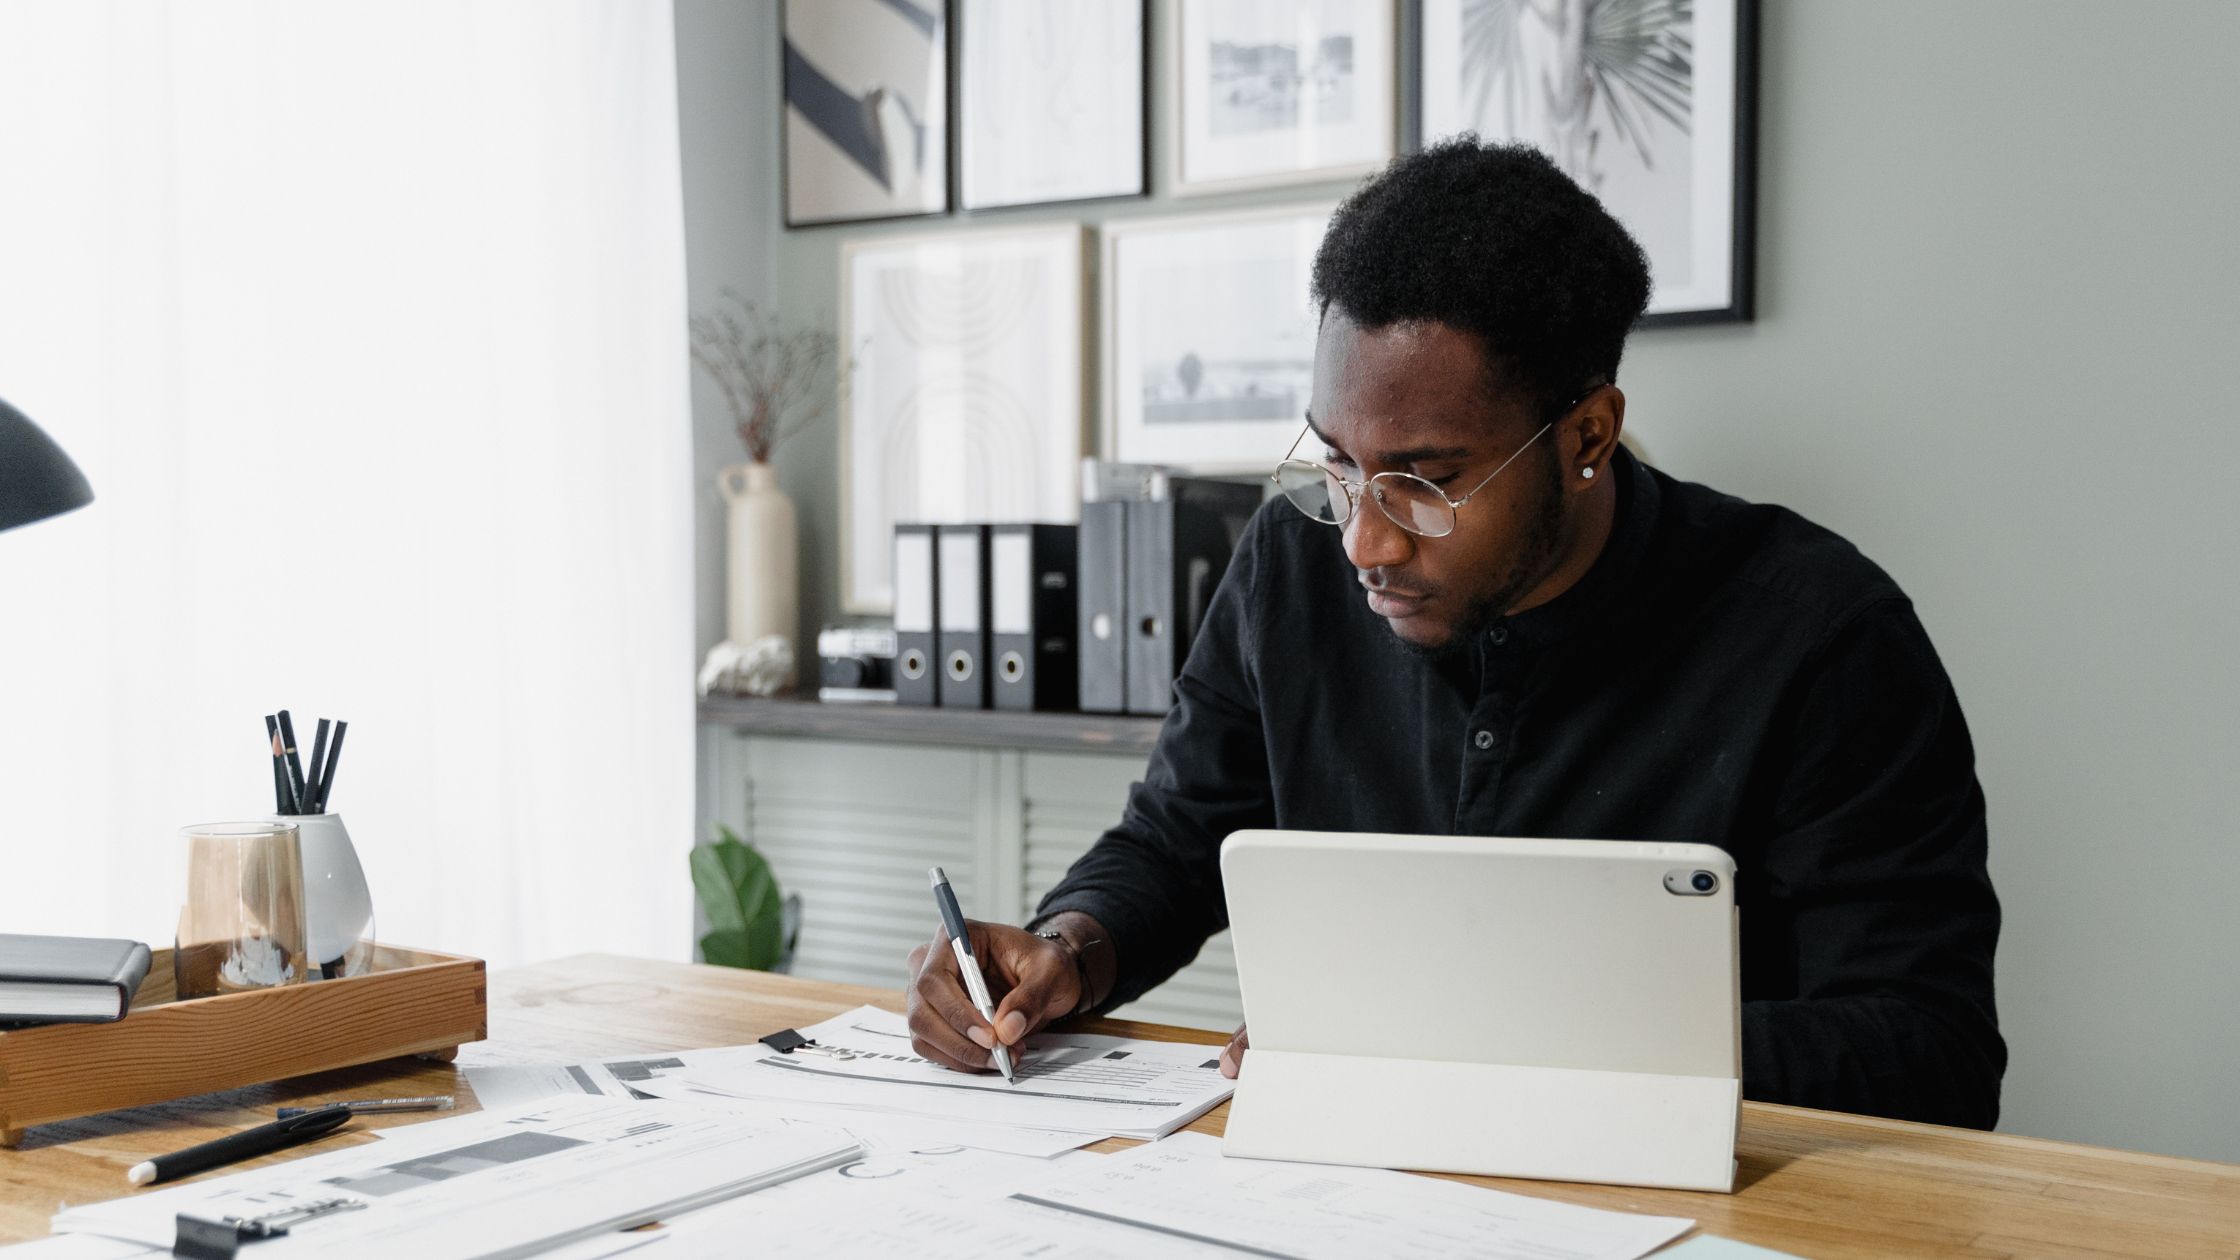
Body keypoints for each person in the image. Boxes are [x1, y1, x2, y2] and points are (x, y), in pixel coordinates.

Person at [905, 139, 2006, 1129]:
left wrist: (1486, 1054)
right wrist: (1067, 949)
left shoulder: (1820, 637)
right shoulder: (1290, 563)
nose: (1363, 546)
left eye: (1424, 484)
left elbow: (1928, 1052)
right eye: (1335, 465)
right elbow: (1175, 842)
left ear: (1586, 433)